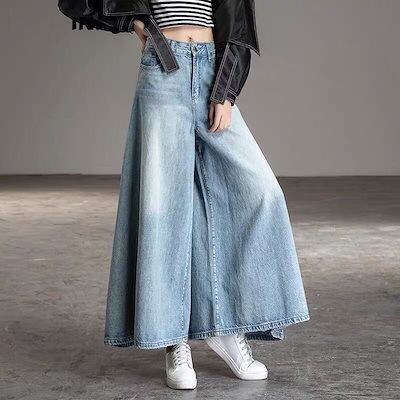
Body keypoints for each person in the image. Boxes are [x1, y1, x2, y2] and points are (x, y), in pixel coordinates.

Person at [58, 0, 310, 390]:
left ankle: (225, 327)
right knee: (163, 211)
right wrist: (134, 23)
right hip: (163, 71)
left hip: (211, 68)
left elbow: (238, 25)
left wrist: (225, 93)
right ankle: (174, 340)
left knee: (263, 194)